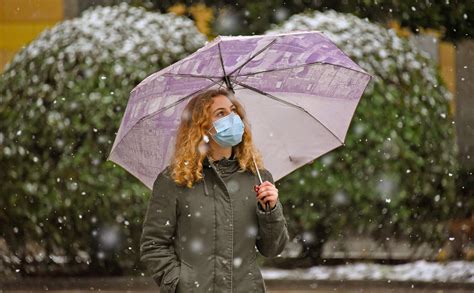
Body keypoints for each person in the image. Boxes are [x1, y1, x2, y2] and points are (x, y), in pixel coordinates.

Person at [139, 88, 290, 293]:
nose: (232, 118)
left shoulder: (257, 177)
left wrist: (271, 210)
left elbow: (272, 249)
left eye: (234, 110)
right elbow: (153, 245)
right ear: (202, 127)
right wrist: (180, 283)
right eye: (220, 113)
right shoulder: (174, 180)